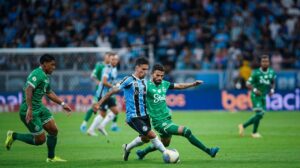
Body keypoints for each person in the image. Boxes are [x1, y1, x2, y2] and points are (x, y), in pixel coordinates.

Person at [136, 64, 220, 159]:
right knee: (186, 131)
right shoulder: (145, 86)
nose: (160, 78)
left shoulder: (164, 84)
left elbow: (179, 85)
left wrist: (193, 84)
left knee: (165, 143)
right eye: (157, 75)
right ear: (152, 74)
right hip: (159, 122)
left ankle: (142, 153)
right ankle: (209, 151)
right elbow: (134, 96)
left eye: (162, 76)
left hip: (168, 120)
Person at [94, 57, 166, 161]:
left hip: (144, 115)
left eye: (147, 69)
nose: (145, 71)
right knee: (152, 135)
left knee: (145, 139)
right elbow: (112, 91)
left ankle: (127, 148)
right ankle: (166, 153)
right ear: (137, 68)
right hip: (133, 116)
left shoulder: (145, 81)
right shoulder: (128, 80)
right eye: (143, 69)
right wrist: (99, 103)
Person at [4, 54, 72, 162]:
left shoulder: (45, 76)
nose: (54, 67)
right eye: (52, 65)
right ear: (44, 64)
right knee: (40, 140)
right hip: (28, 109)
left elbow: (49, 92)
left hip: (39, 107)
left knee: (53, 130)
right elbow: (28, 89)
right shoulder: (37, 74)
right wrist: (30, 108)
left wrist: (63, 104)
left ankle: (51, 158)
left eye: (55, 65)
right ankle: (14, 135)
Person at [80, 52, 120, 133]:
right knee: (98, 110)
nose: (115, 61)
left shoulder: (114, 69)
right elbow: (103, 80)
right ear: (109, 58)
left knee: (115, 111)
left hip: (109, 93)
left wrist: (116, 85)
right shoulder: (105, 68)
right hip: (102, 93)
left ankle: (104, 126)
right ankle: (86, 125)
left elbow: (111, 81)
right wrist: (113, 87)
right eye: (113, 59)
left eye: (116, 59)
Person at [238, 55, 276, 138]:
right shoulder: (256, 73)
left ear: (269, 63)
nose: (265, 63)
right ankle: (253, 132)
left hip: (263, 96)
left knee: (261, 115)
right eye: (263, 62)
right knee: (259, 113)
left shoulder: (271, 72)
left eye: (266, 61)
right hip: (255, 95)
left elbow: (273, 82)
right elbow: (248, 83)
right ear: (261, 63)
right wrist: (255, 90)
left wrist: (272, 90)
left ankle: (244, 127)